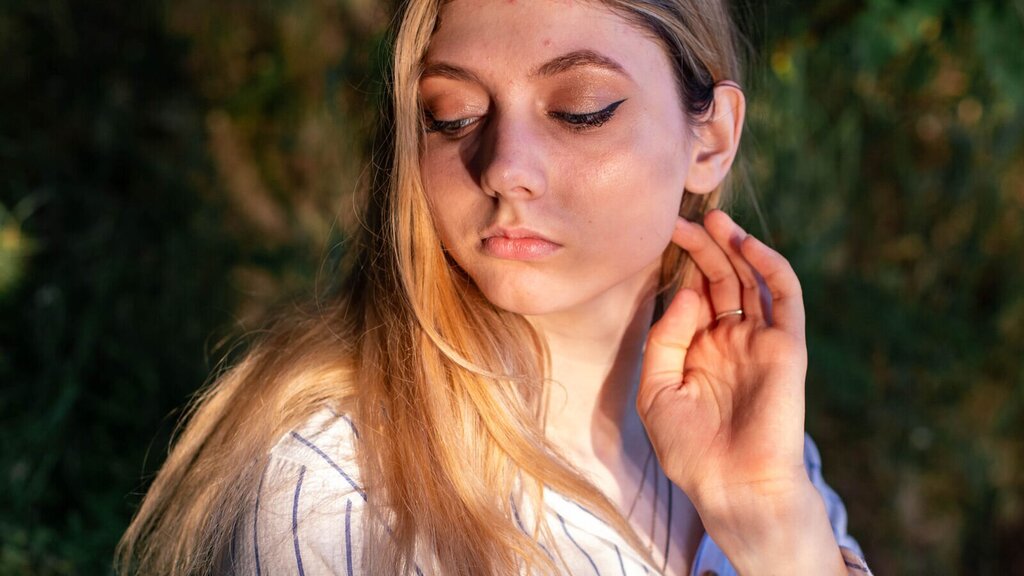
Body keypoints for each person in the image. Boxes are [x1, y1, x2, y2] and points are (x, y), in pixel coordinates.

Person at [117, 0, 872, 574]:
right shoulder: (341, 486)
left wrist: (777, 529)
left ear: (710, 138)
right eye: (452, 116)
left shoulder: (756, 439)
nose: (505, 166)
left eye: (580, 111)